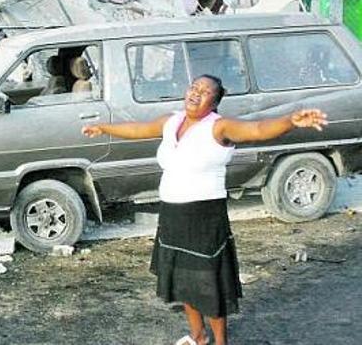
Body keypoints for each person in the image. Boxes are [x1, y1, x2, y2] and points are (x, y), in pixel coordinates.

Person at [81, 75, 328, 345]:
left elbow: (257, 129)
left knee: (209, 285)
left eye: (205, 92)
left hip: (204, 217)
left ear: (215, 102)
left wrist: (290, 121)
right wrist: (104, 128)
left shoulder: (219, 127)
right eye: (193, 88)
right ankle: (199, 338)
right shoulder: (171, 121)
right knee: (184, 280)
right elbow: (139, 129)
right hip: (173, 215)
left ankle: (220, 343)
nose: (196, 94)